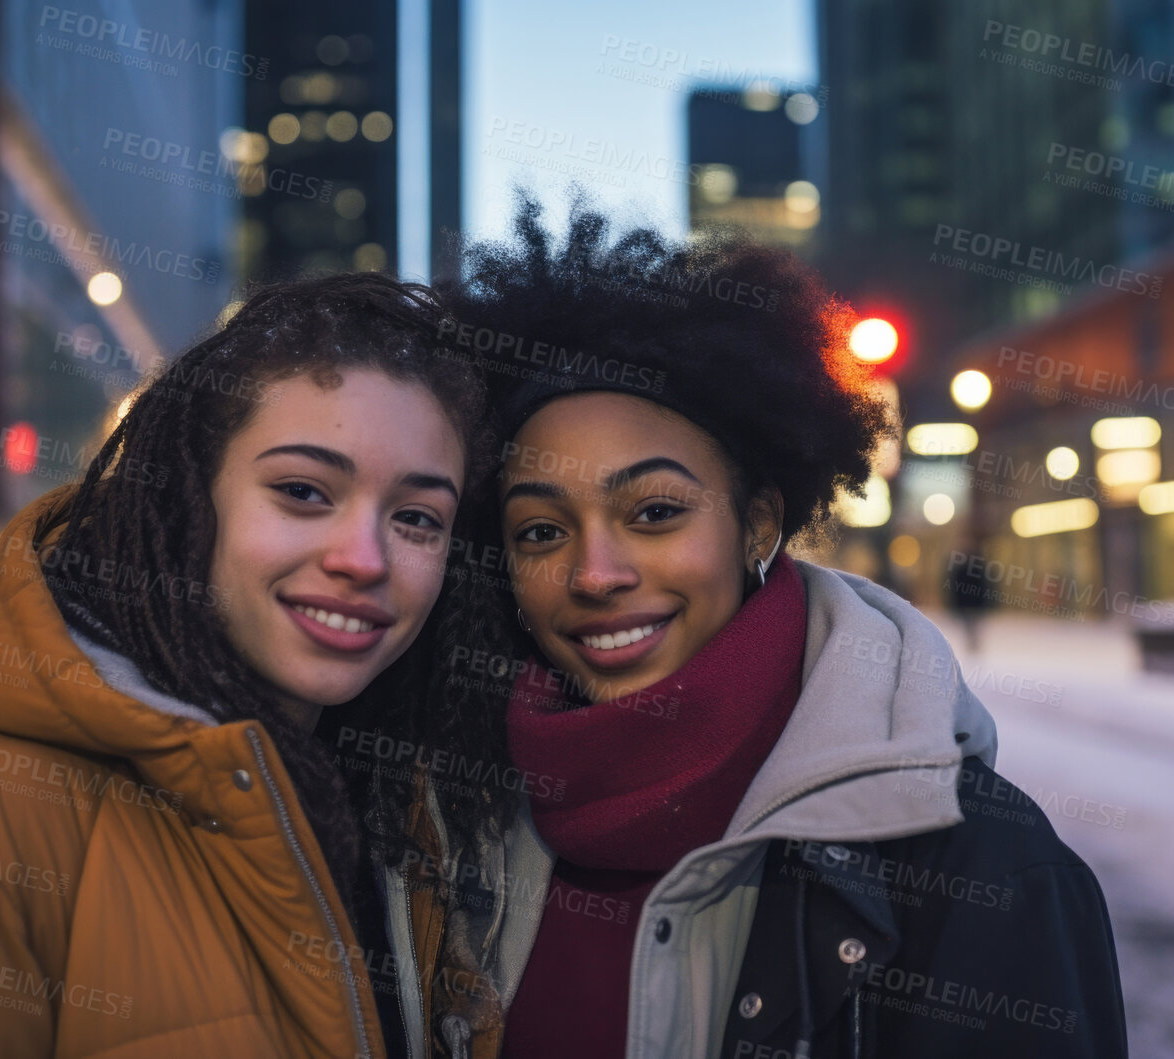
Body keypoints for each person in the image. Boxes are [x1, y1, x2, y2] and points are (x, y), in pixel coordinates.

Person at [405, 199, 1127, 1059]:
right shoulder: (443, 820)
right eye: (541, 531)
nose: (595, 573)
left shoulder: (988, 873)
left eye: (655, 511)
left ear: (756, 523)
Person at [0, 272, 515, 1058]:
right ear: (188, 503)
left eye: (415, 518)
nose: (363, 558)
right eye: (302, 490)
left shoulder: (411, 834)